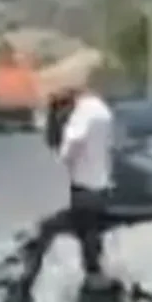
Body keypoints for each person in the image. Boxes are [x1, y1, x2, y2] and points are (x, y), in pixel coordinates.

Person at [56, 72, 114, 278]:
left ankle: (92, 278)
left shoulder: (83, 112)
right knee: (95, 233)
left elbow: (74, 139)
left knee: (85, 232)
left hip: (84, 184)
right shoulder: (104, 111)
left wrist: (65, 156)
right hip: (102, 183)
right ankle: (97, 270)